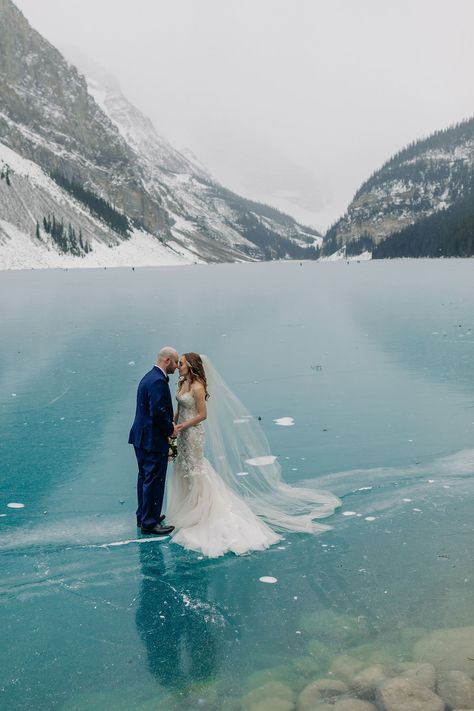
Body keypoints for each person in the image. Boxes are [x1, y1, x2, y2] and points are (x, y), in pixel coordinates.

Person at [166, 353, 340, 557]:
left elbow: (203, 415)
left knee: (195, 468)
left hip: (193, 434)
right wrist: (173, 425)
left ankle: (201, 511)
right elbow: (179, 408)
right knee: (183, 468)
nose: (178, 366)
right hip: (182, 433)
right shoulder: (182, 383)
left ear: (191, 366)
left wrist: (184, 426)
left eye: (182, 363)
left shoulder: (197, 387)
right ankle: (189, 507)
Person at [129, 347, 179, 535]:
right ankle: (150, 523)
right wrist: (170, 430)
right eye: (175, 362)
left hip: (140, 437)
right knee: (154, 479)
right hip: (152, 439)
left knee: (144, 477)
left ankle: (143, 515)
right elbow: (158, 411)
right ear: (167, 360)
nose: (176, 366)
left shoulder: (148, 377)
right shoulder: (158, 381)